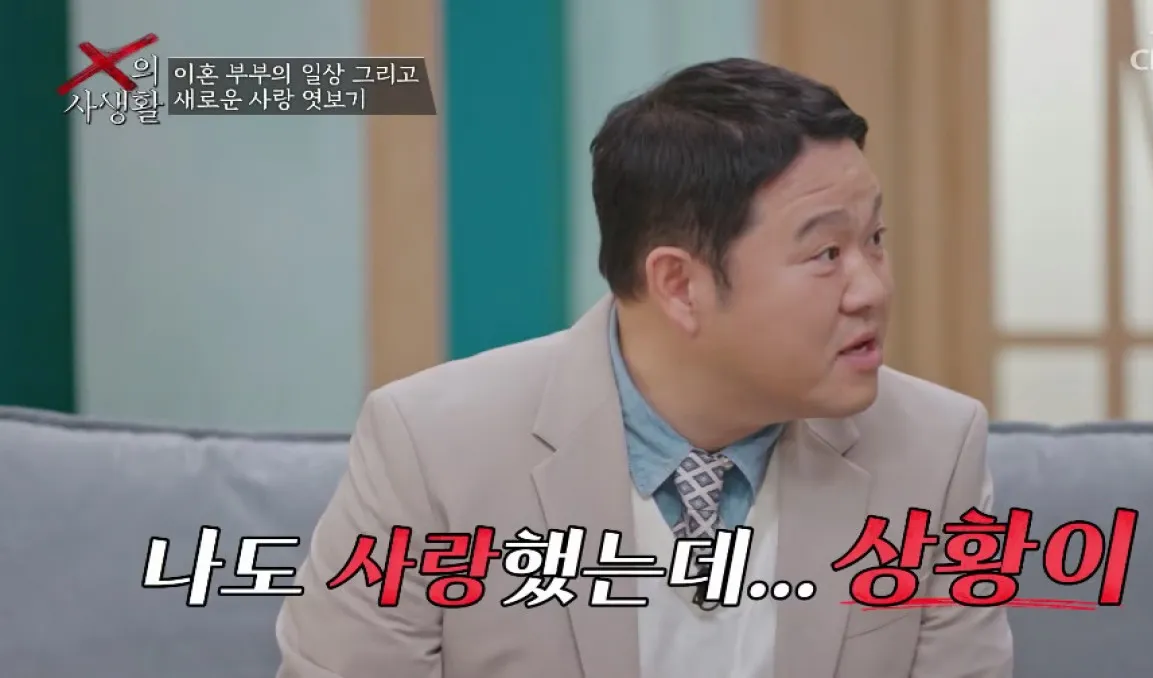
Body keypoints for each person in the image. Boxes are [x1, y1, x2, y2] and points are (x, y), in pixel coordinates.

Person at [275, 57, 1013, 678]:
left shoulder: (935, 450)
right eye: (826, 253)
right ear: (679, 284)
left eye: (875, 239)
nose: (872, 288)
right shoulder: (431, 449)